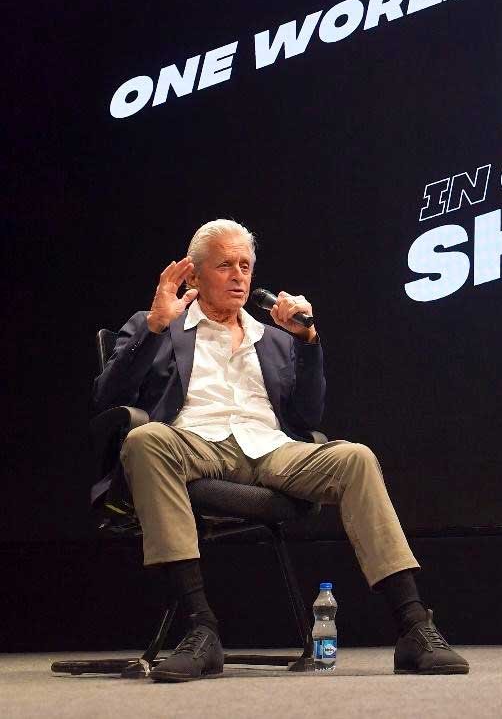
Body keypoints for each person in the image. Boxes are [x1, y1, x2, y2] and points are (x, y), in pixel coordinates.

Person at [93, 219, 469, 681]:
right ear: (192, 275)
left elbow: (308, 416)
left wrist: (306, 342)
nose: (238, 276)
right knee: (144, 438)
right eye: (225, 265)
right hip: (194, 443)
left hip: (270, 450)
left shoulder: (271, 338)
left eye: (245, 266)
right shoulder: (159, 324)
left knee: (356, 457)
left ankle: (414, 626)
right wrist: (153, 326)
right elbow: (108, 397)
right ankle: (200, 628)